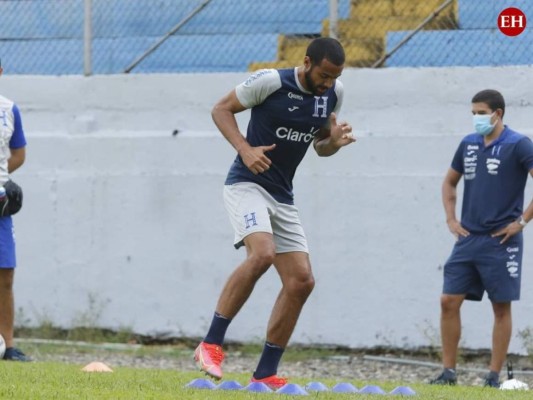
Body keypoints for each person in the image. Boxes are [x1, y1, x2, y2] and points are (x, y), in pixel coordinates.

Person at [193, 37, 355, 388]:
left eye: (334, 77)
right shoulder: (270, 81)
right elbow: (220, 109)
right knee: (263, 254)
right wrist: (245, 148)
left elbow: (321, 146)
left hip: (282, 196)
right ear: (308, 62)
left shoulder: (333, 92)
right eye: (324, 75)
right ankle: (210, 344)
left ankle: (265, 374)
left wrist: (334, 143)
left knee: (301, 281)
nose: (328, 83)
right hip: (246, 185)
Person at [430, 89, 533, 387]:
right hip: (468, 239)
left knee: (501, 307)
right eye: (473, 113)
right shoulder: (469, 143)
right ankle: (448, 373)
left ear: (498, 113)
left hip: (501, 241)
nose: (476, 118)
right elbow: (450, 182)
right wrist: (451, 218)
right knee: (448, 300)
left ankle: (493, 376)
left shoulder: (519, 145)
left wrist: (521, 222)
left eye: (481, 113)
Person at [0, 59, 30, 361]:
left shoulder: (9, 109)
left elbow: (19, 153)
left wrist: (3, 178)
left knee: (5, 275)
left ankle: (8, 345)